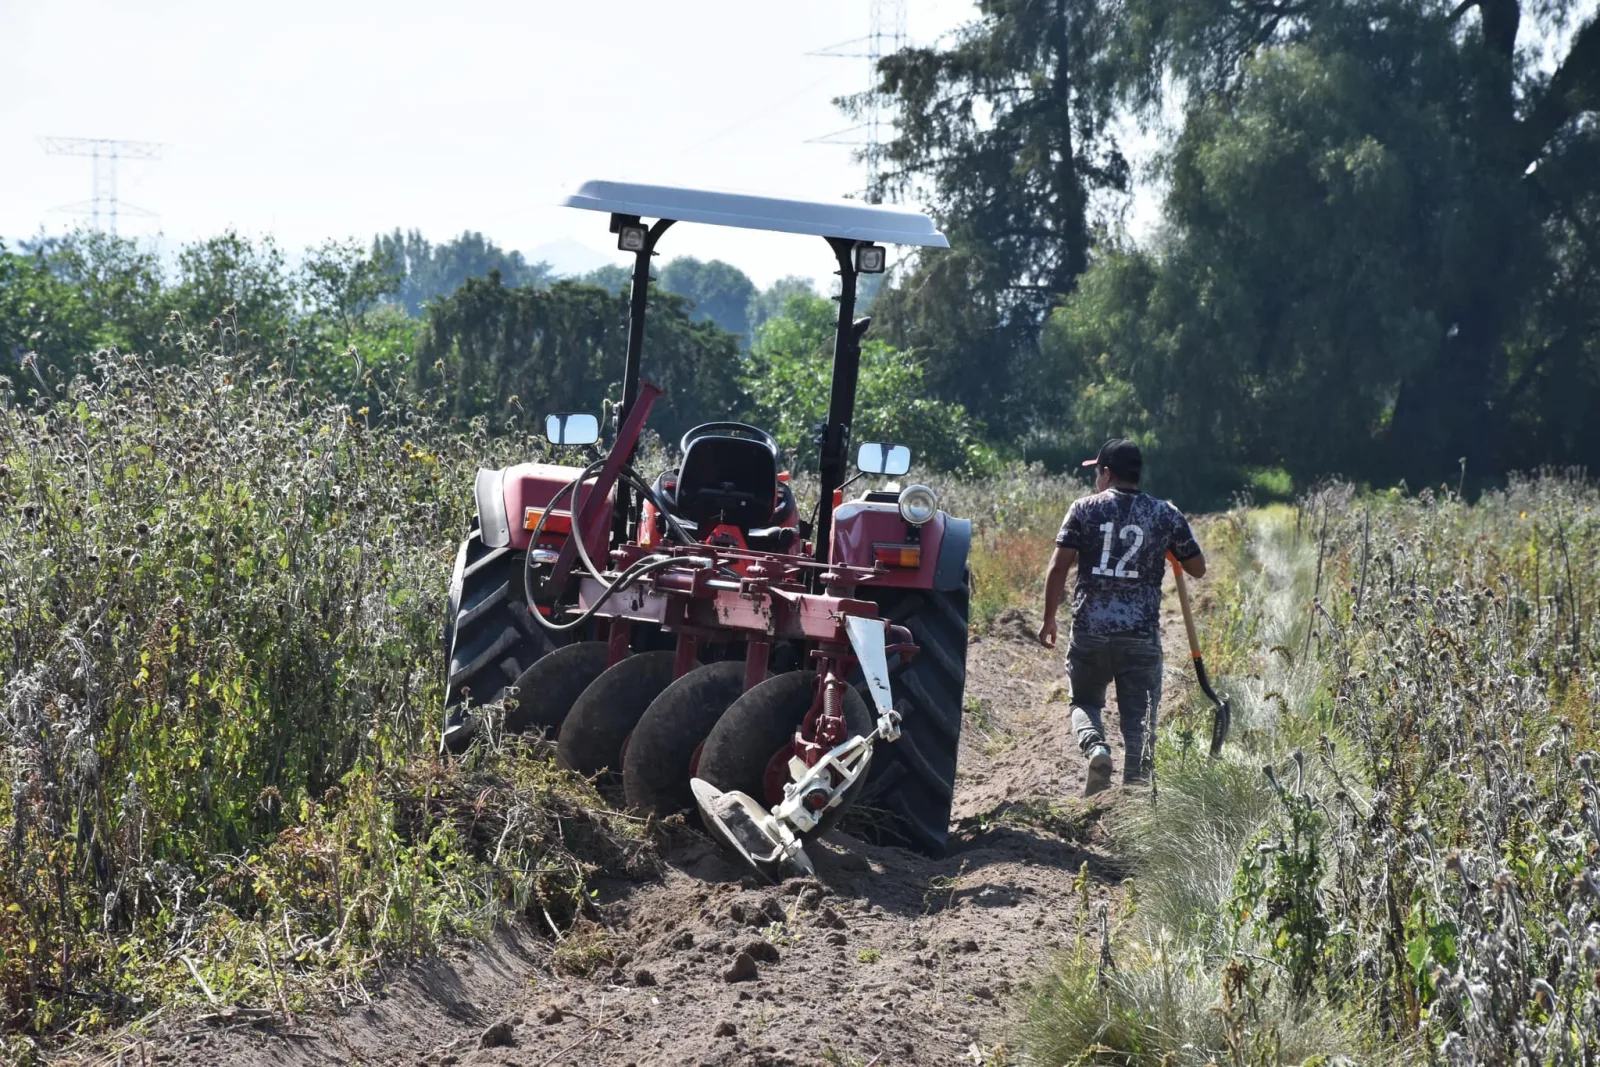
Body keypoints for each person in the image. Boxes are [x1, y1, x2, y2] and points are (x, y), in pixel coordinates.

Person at [1037, 438, 1205, 795]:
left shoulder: (1083, 509)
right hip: (1140, 636)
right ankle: (1135, 806)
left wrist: (1049, 618)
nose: (1096, 479)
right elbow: (1198, 569)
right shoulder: (1165, 514)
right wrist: (1173, 538)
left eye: (1097, 472)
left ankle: (1096, 749)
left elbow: (1057, 568)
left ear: (1108, 473)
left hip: (1090, 632)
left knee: (1083, 702)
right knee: (1139, 724)